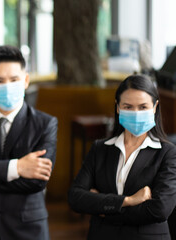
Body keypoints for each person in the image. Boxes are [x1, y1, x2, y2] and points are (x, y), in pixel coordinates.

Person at [0, 45, 58, 240]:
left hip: (27, 228)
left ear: (26, 80)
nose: (7, 85)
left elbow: (36, 182)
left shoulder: (45, 123)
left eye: (14, 79)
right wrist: (17, 167)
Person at [68, 75, 176, 240]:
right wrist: (129, 200)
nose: (136, 113)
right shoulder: (100, 148)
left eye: (143, 107)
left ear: (155, 107)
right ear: (118, 107)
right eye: (128, 106)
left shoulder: (167, 153)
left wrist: (103, 207)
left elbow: (159, 209)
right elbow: (75, 198)